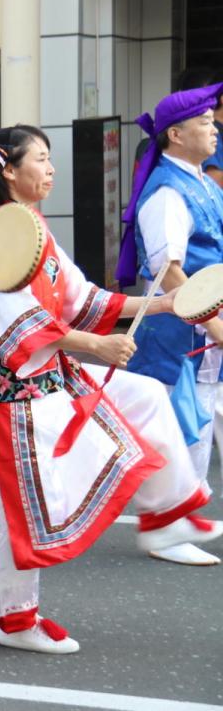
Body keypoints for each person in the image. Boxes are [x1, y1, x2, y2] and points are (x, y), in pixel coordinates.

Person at [0, 126, 221, 657]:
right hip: (6, 396)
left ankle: (164, 514)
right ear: (9, 171)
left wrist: (165, 304)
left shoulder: (33, 230)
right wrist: (96, 349)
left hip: (43, 378)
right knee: (20, 513)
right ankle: (15, 618)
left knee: (144, 395)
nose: (51, 169)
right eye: (42, 159)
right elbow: (17, 323)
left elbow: (79, 297)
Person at [123, 83, 223, 558]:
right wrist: (217, 326)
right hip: (179, 332)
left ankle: (179, 520)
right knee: (188, 425)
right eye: (205, 122)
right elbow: (169, 271)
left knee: (201, 419)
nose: (214, 129)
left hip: (202, 326)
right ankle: (170, 526)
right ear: (176, 135)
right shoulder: (168, 191)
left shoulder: (198, 179)